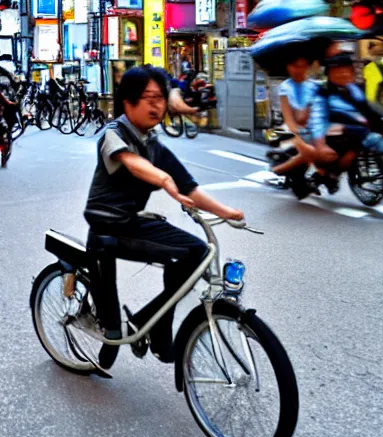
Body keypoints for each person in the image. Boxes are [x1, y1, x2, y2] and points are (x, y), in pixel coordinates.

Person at [84, 65, 243, 368]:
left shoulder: (153, 143)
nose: (157, 105)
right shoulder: (113, 134)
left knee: (197, 251)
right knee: (112, 327)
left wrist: (227, 212)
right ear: (128, 102)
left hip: (130, 223)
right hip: (106, 228)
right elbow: (131, 163)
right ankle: (131, 329)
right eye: (149, 98)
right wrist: (163, 180)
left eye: (161, 98)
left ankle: (154, 323)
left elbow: (190, 187)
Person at [309, 52, 383, 192]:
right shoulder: (322, 92)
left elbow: (367, 111)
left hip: (353, 130)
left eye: (346, 70)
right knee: (356, 139)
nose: (343, 74)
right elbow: (318, 118)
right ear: (329, 74)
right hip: (329, 131)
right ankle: (330, 174)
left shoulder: (355, 90)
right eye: (338, 71)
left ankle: (335, 172)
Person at [268, 51, 319, 199]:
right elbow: (289, 117)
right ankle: (284, 170)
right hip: (293, 129)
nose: (298, 69)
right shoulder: (286, 87)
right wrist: (296, 134)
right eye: (295, 66)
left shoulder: (315, 86)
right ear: (289, 67)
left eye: (302, 66)